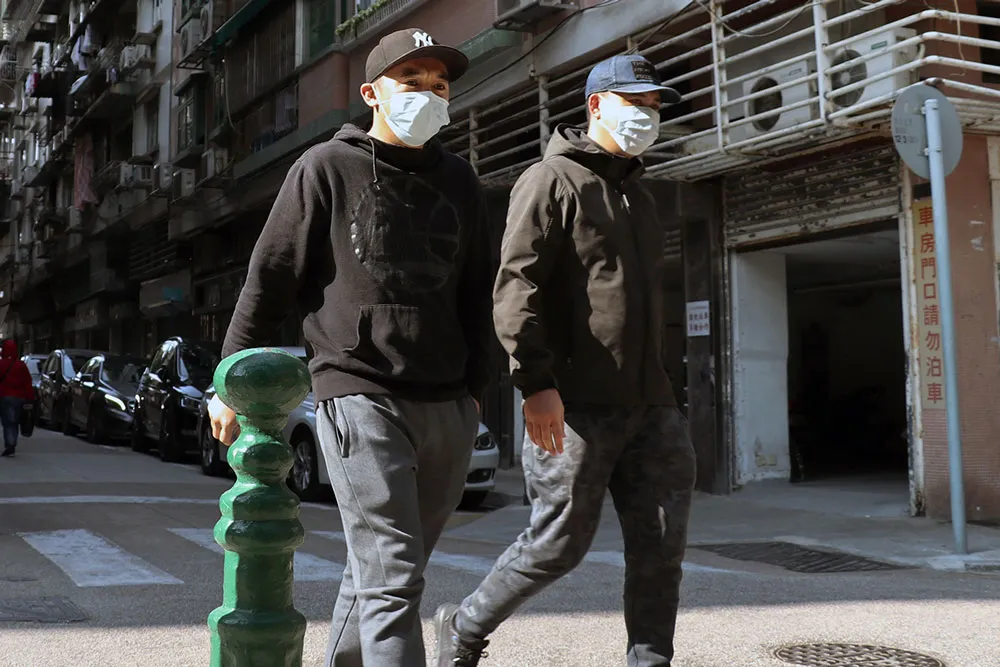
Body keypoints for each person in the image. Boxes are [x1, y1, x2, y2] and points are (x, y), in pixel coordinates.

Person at [208, 27, 494, 667]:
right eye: (411, 83)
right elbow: (270, 276)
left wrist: (478, 393)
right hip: (359, 391)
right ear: (371, 93)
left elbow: (479, 293)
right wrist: (227, 378)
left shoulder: (461, 181)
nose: (430, 96)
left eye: (440, 86)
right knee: (393, 573)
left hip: (448, 400)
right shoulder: (324, 168)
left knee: (380, 571)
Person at [433, 54, 697, 667]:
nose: (649, 116)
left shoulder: (642, 194)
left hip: (652, 402)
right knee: (557, 544)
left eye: (655, 105)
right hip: (574, 403)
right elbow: (515, 286)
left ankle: (651, 658)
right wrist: (535, 384)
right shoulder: (551, 179)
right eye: (637, 103)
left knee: (661, 547)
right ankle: (465, 627)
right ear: (597, 105)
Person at [0, 339, 36, 457]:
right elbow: (27, 382)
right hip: (19, 398)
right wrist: (30, 398)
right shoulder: (21, 366)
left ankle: (10, 444)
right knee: (14, 421)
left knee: (8, 422)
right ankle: (12, 443)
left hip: (5, 397)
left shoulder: (1, 365)